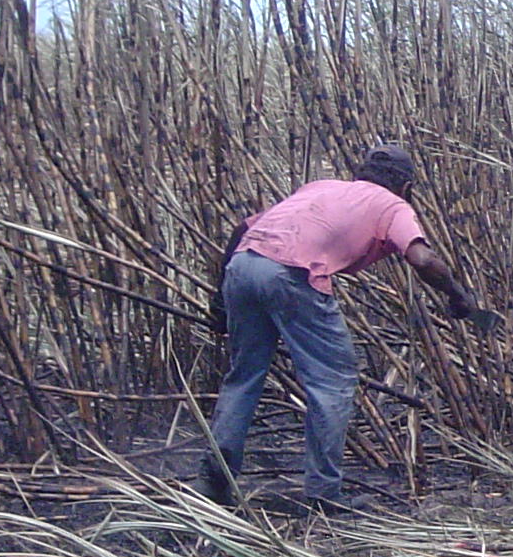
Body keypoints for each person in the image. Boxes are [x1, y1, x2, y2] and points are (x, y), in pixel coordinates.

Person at [199, 143, 484, 510]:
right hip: (293, 275)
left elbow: (242, 230)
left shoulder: (320, 187)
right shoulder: (393, 205)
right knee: (332, 383)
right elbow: (422, 258)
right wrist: (458, 295)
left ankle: (215, 483)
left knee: (244, 376)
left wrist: (220, 300)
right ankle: (323, 495)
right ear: (407, 187)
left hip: (243, 264)